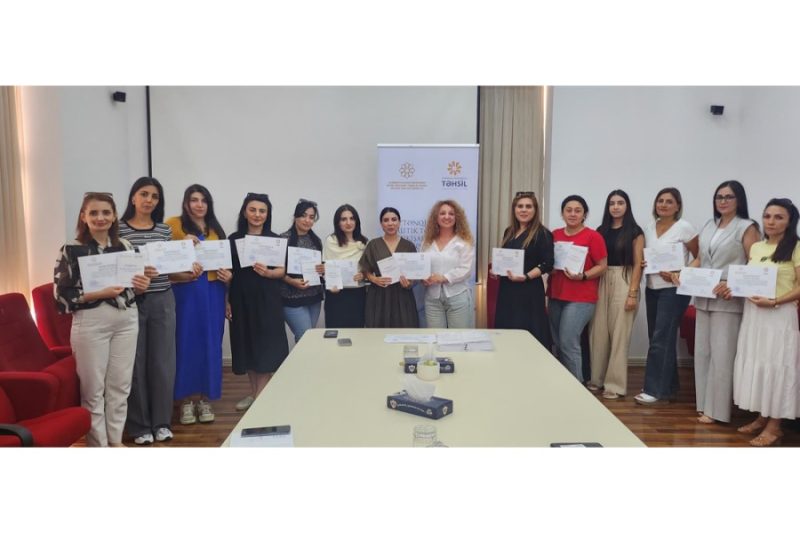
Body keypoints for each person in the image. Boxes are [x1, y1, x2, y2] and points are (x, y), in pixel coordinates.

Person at [54, 192, 150, 447]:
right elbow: (61, 296)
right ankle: (99, 446)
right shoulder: (71, 249)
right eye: (94, 213)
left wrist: (142, 286)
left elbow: (134, 288)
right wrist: (99, 293)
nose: (100, 218)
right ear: (83, 217)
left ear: (114, 216)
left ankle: (115, 442)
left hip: (126, 320)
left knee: (120, 386)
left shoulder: (126, 247)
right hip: (91, 323)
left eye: (106, 212)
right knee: (93, 390)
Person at [119, 177, 189, 444]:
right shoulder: (118, 230)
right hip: (131, 302)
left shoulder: (163, 230)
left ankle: (161, 422)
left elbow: (170, 269)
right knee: (135, 363)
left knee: (163, 363)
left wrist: (189, 265)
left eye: (155, 196)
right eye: (144, 194)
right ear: (133, 197)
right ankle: (139, 426)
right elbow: (115, 269)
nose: (149, 200)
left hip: (163, 299)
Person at [684, 181, 758, 424]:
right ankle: (704, 404)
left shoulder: (747, 227)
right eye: (719, 197)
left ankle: (718, 410)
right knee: (703, 352)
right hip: (703, 294)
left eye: (728, 197)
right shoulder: (709, 225)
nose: (723, 201)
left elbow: (755, 262)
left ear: (739, 200)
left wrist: (733, 284)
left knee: (722, 354)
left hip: (728, 296)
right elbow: (700, 258)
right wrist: (684, 273)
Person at [733, 198, 800, 446]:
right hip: (754, 315)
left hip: (779, 316)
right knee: (759, 365)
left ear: (790, 221)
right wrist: (736, 288)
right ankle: (762, 417)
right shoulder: (757, 247)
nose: (771, 221)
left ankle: (775, 426)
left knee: (777, 367)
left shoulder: (796, 247)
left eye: (778, 217)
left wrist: (775, 301)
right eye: (767, 216)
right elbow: (748, 279)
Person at [165, 184, 232, 426]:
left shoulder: (216, 229)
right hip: (186, 291)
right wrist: (182, 244)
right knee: (185, 344)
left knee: (211, 344)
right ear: (186, 203)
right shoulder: (173, 225)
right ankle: (185, 401)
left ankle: (205, 399)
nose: (199, 204)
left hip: (214, 292)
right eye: (194, 199)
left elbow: (226, 266)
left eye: (203, 200)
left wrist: (228, 282)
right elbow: (163, 259)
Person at [634, 187, 699, 405]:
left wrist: (680, 272)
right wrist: (645, 262)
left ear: (677, 206)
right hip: (652, 287)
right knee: (659, 337)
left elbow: (700, 256)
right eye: (660, 200)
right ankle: (668, 387)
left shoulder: (684, 227)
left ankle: (653, 389)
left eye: (669, 201)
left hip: (674, 289)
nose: (663, 204)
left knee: (661, 338)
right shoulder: (649, 227)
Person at [228, 193, 290, 412]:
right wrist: (226, 301)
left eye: (262, 211)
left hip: (267, 300)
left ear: (267, 214)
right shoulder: (233, 239)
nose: (257, 215)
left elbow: (282, 271)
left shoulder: (275, 239)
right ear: (245, 212)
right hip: (241, 300)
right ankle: (255, 393)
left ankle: (259, 398)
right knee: (248, 347)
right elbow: (228, 273)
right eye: (253, 210)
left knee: (265, 347)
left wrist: (268, 273)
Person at [588, 190, 644, 399]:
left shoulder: (635, 231)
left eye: (620, 203)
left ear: (627, 206)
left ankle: (615, 385)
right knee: (598, 332)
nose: (616, 207)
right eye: (612, 203)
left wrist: (633, 293)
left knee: (620, 334)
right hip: (601, 279)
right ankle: (597, 379)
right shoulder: (600, 230)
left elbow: (638, 264)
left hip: (625, 278)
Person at [548, 195, 608, 382]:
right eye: (568, 210)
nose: (573, 214)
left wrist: (583, 275)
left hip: (581, 298)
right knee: (558, 343)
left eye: (577, 210)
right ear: (562, 213)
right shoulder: (554, 235)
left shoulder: (593, 236)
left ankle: (577, 386)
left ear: (584, 214)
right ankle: (564, 384)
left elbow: (602, 266)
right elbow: (549, 262)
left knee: (568, 343)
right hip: (556, 295)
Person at [492, 191, 553, 347]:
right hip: (507, 289)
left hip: (529, 290)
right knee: (507, 330)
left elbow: (548, 263)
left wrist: (526, 276)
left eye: (528, 206)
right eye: (520, 206)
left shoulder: (543, 233)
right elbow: (505, 258)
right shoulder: (509, 232)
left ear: (535, 210)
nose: (524, 210)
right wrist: (496, 270)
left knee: (527, 332)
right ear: (514, 209)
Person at [360, 207, 419, 328]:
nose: (390, 223)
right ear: (381, 224)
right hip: (379, 295)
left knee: (404, 330)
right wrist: (374, 279)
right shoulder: (373, 244)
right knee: (378, 331)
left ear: (399, 222)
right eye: (386, 220)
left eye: (394, 219)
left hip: (402, 295)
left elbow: (414, 274)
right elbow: (365, 270)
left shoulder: (409, 246)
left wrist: (409, 283)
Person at [421, 199, 475, 328]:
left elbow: (466, 269)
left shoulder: (464, 242)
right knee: (435, 336)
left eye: (451, 214)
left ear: (457, 217)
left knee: (458, 338)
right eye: (442, 213)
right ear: (436, 217)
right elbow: (422, 266)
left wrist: (443, 277)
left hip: (457, 297)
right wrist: (423, 278)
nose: (447, 217)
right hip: (432, 299)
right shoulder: (427, 243)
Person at [280, 199, 325, 343]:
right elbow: (275, 270)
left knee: (308, 339)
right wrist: (291, 281)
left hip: (314, 297)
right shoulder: (283, 239)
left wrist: (322, 269)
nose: (307, 220)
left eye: (311, 217)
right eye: (304, 216)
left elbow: (320, 269)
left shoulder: (316, 240)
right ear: (295, 217)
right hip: (291, 298)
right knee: (304, 337)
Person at [322, 204, 368, 328]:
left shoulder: (364, 242)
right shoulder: (331, 241)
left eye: (352, 218)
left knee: (356, 332)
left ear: (356, 221)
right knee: (336, 332)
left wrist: (363, 275)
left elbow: (368, 269)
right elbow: (326, 267)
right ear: (338, 223)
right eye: (343, 219)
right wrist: (331, 284)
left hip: (357, 294)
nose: (348, 222)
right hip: (336, 293)